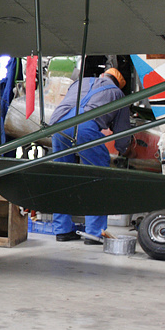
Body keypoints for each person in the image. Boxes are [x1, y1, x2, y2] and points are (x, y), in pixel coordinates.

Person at [49, 67, 132, 245]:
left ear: (103, 75)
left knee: (63, 177)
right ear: (119, 84)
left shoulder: (80, 82)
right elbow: (123, 133)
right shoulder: (118, 93)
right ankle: (94, 233)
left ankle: (62, 231)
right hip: (86, 128)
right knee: (97, 178)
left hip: (58, 125)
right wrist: (123, 149)